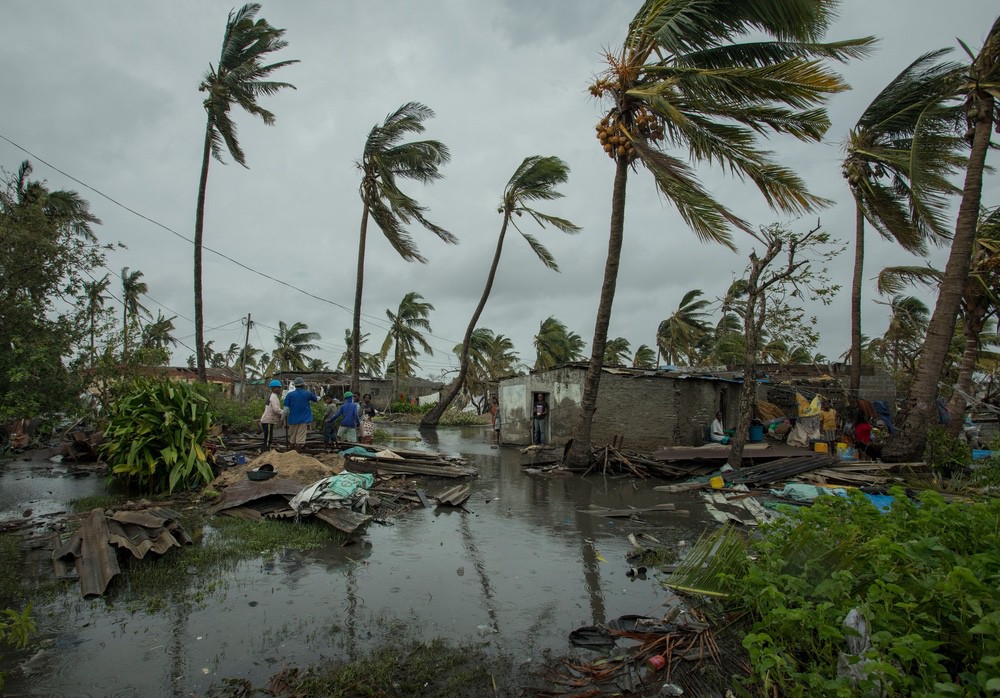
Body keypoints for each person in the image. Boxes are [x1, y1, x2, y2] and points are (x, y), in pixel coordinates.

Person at [283, 377, 319, 447]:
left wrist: (282, 418)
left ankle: (291, 454)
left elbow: (286, 410)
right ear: (303, 385)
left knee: (292, 439)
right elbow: (316, 399)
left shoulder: (289, 395)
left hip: (292, 420)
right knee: (300, 440)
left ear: (295, 385)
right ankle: (297, 455)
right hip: (303, 419)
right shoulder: (307, 393)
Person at [259, 379, 284, 451]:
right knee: (268, 439)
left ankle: (265, 450)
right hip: (268, 420)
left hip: (268, 420)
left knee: (268, 437)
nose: (279, 389)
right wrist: (284, 412)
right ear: (273, 388)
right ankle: (265, 452)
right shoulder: (273, 397)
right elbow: (276, 409)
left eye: (280, 387)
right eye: (278, 387)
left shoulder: (273, 396)